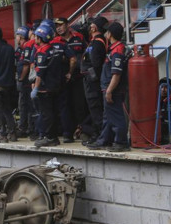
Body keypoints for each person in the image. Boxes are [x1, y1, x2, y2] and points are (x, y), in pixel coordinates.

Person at [88, 21, 130, 152]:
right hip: (107, 88)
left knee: (116, 116)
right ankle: (104, 140)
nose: (105, 33)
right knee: (108, 117)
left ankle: (121, 142)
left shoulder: (117, 50)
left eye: (107, 31)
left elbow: (116, 74)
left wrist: (109, 91)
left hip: (112, 90)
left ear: (110, 34)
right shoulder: (112, 49)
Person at [54, 17, 86, 143]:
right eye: (57, 26)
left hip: (78, 77)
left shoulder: (79, 37)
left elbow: (86, 53)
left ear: (67, 25)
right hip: (63, 79)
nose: (59, 28)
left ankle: (83, 131)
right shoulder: (55, 41)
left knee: (80, 105)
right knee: (64, 106)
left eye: (61, 25)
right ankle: (67, 133)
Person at [30, 21, 62, 147]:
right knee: (52, 112)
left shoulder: (42, 52)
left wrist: (36, 88)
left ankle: (49, 137)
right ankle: (52, 136)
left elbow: (39, 73)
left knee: (46, 114)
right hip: (55, 86)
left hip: (45, 88)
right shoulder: (54, 50)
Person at [80, 16, 107, 144]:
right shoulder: (94, 41)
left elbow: (96, 64)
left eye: (91, 25)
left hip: (93, 83)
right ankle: (97, 134)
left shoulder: (98, 42)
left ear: (95, 27)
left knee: (96, 110)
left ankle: (99, 136)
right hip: (92, 82)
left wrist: (92, 78)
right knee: (93, 109)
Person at [14, 26, 33, 138]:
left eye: (17, 35)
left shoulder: (27, 47)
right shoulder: (19, 49)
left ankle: (26, 128)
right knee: (22, 105)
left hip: (26, 82)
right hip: (22, 81)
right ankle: (24, 126)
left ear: (20, 36)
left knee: (26, 105)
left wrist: (21, 78)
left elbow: (26, 66)